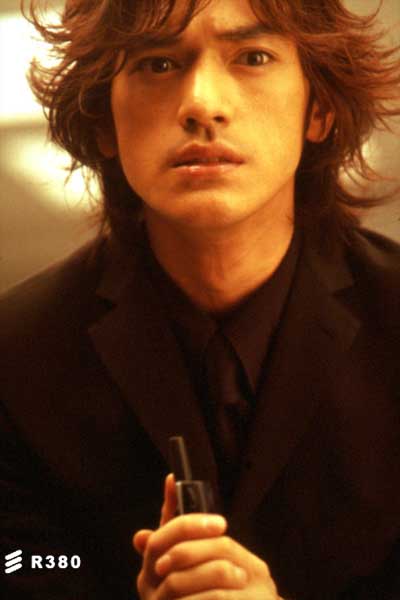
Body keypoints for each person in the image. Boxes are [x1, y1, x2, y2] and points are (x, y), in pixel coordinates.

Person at [1, 0, 400, 598]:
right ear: (104, 120)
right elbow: (19, 564)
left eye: (253, 57)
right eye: (158, 64)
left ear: (318, 109)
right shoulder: (17, 354)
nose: (202, 104)